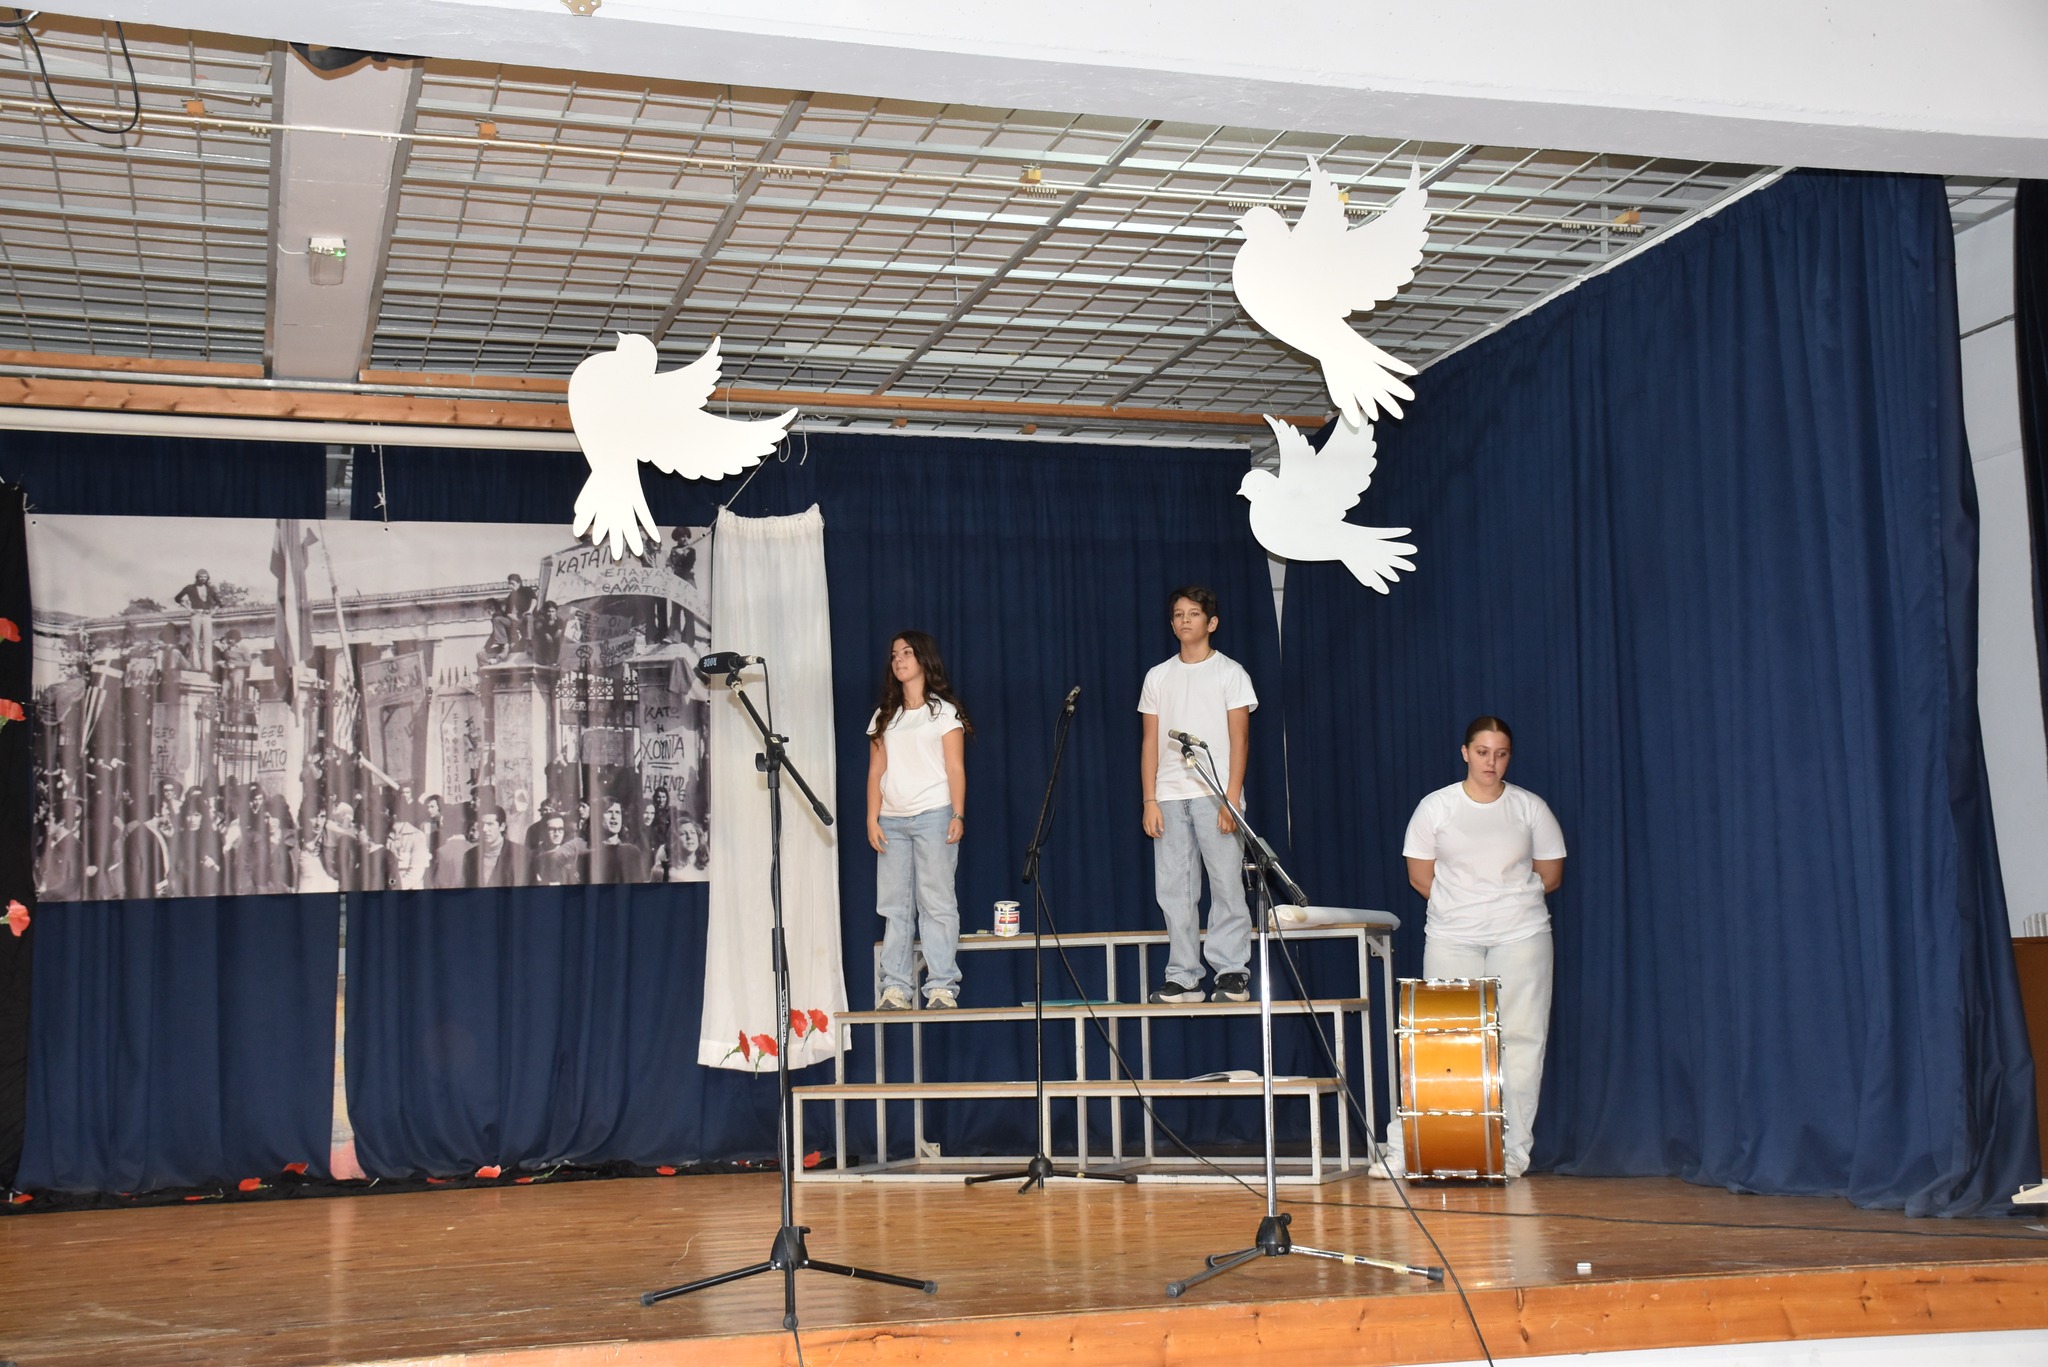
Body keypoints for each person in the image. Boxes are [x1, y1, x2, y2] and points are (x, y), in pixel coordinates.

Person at [1402, 716, 1567, 1181]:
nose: (1491, 762)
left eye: (1500, 754)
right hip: (1452, 935)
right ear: (1465, 753)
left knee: (1521, 1043)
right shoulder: (1436, 807)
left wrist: (1504, 903)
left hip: (1521, 935)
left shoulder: (1530, 808)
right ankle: (1424, 1148)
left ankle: (1512, 1151)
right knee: (1441, 1041)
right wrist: (1465, 908)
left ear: (1509, 757)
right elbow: (1421, 878)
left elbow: (1551, 875)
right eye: (1482, 752)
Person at [1138, 585, 1257, 1004]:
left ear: (1212, 623)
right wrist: (1150, 799)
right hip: (1169, 795)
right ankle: (1184, 975)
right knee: (1174, 889)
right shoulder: (1158, 676)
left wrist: (1231, 797)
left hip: (1215, 793)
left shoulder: (1230, 672)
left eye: (1193, 613)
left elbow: (1240, 739)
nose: (1184, 620)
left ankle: (1231, 969)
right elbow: (1150, 742)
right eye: (1178, 614)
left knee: (1226, 883)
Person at [866, 631, 969, 1010]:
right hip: (892, 820)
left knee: (936, 901)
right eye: (894, 655)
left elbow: (955, 768)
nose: (899, 660)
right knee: (894, 906)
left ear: (924, 659)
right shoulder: (885, 716)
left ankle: (942, 986)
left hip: (933, 814)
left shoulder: (943, 712)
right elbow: (876, 771)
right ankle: (895, 987)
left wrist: (957, 813)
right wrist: (872, 818)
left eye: (907, 653)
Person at [462, 804, 528, 887]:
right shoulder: (470, 856)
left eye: (490, 824)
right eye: (481, 825)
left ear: (502, 827)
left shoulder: (521, 854)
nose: (484, 829)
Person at [174, 568, 221, 661]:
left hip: (206, 616)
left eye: (205, 577)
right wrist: (189, 609)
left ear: (207, 578)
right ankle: (195, 664)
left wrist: (212, 612)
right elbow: (177, 598)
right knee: (195, 640)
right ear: (197, 577)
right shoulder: (190, 588)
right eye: (201, 577)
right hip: (196, 615)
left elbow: (219, 603)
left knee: (208, 641)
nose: (203, 578)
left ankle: (207, 665)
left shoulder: (210, 589)